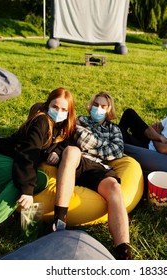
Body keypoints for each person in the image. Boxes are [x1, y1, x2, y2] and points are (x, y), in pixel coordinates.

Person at [0, 87, 77, 260]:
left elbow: (68, 140)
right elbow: (27, 156)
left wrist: (59, 151)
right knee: (31, 181)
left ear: (69, 112)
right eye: (55, 107)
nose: (59, 112)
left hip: (12, 164)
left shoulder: (60, 127)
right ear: (48, 105)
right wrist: (27, 191)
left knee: (37, 179)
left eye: (64, 109)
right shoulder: (42, 121)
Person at [53, 92, 132, 260]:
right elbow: (81, 139)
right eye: (96, 105)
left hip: (98, 166)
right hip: (76, 160)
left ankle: (124, 251)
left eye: (103, 106)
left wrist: (91, 145)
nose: (98, 109)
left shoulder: (114, 129)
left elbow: (117, 151)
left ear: (109, 109)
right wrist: (102, 147)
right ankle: (58, 224)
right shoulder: (80, 120)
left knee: (114, 187)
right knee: (72, 150)